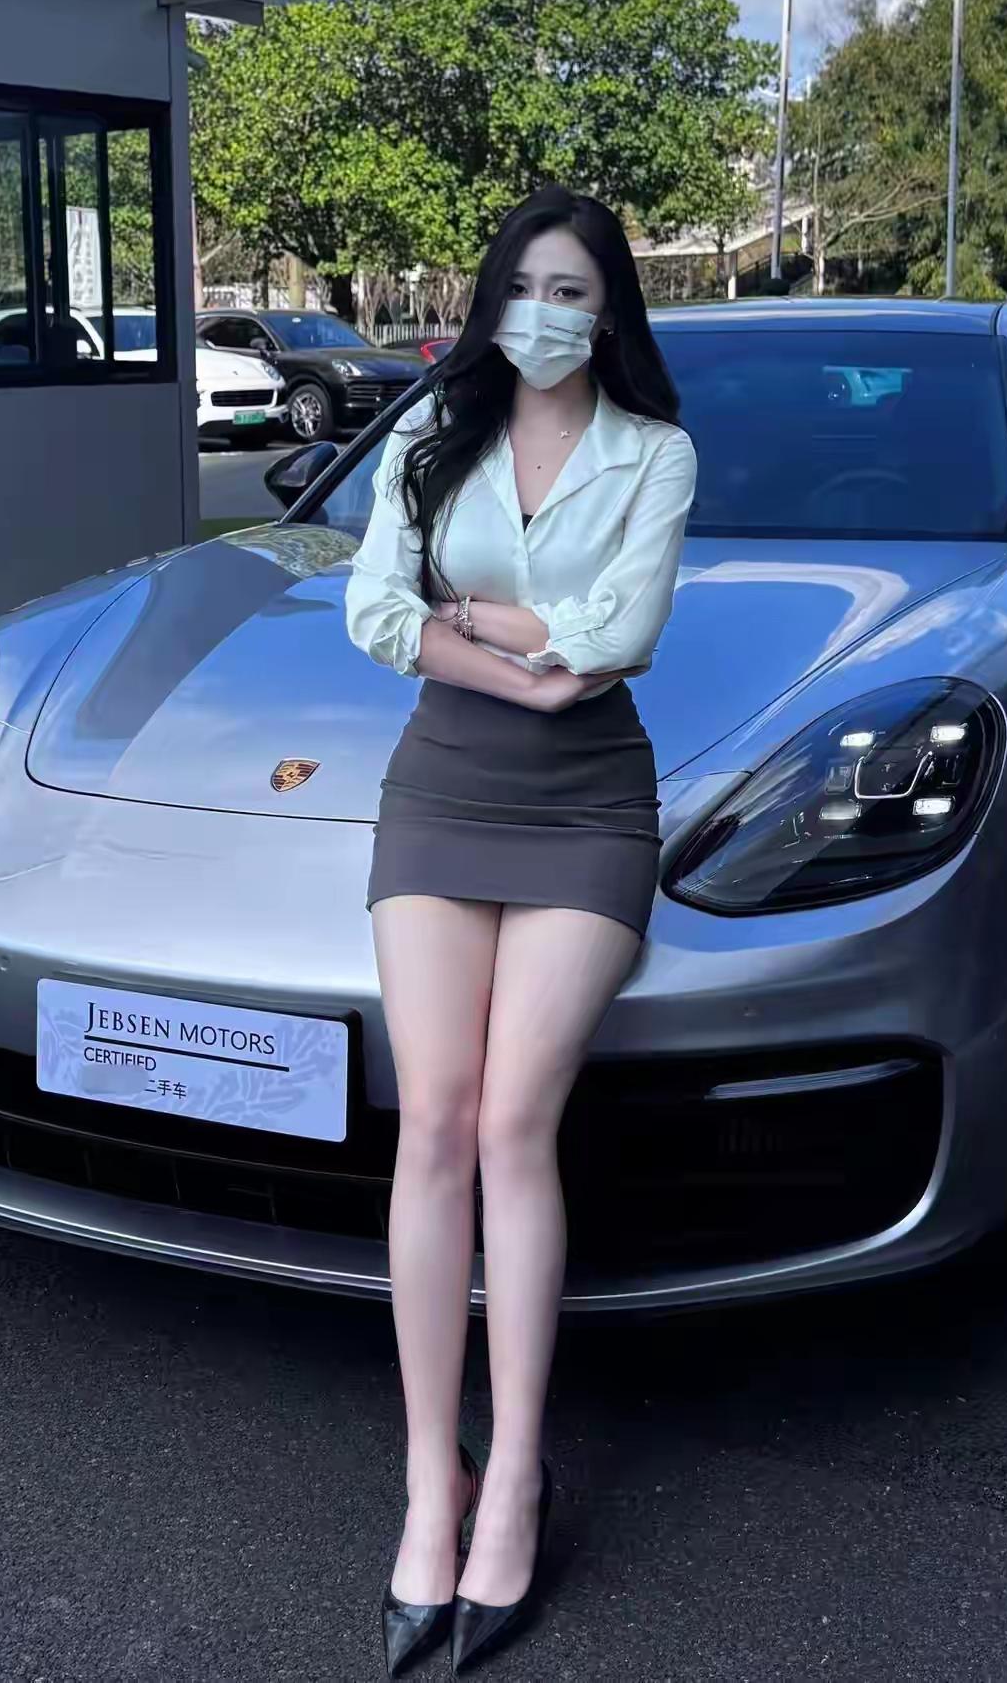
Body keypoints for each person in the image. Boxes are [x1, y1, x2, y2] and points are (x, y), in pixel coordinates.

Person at [345, 185, 696, 1676]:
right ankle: (435, 1481)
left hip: (589, 807)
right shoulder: (432, 436)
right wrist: (521, 653)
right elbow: (373, 611)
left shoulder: (656, 452)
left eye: (574, 292)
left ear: (607, 315)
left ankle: (518, 1479)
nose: (544, 314)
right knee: (432, 1115)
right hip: (440, 785)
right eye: (525, 287)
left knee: (509, 1122)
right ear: (493, 300)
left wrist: (468, 618)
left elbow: (623, 640)